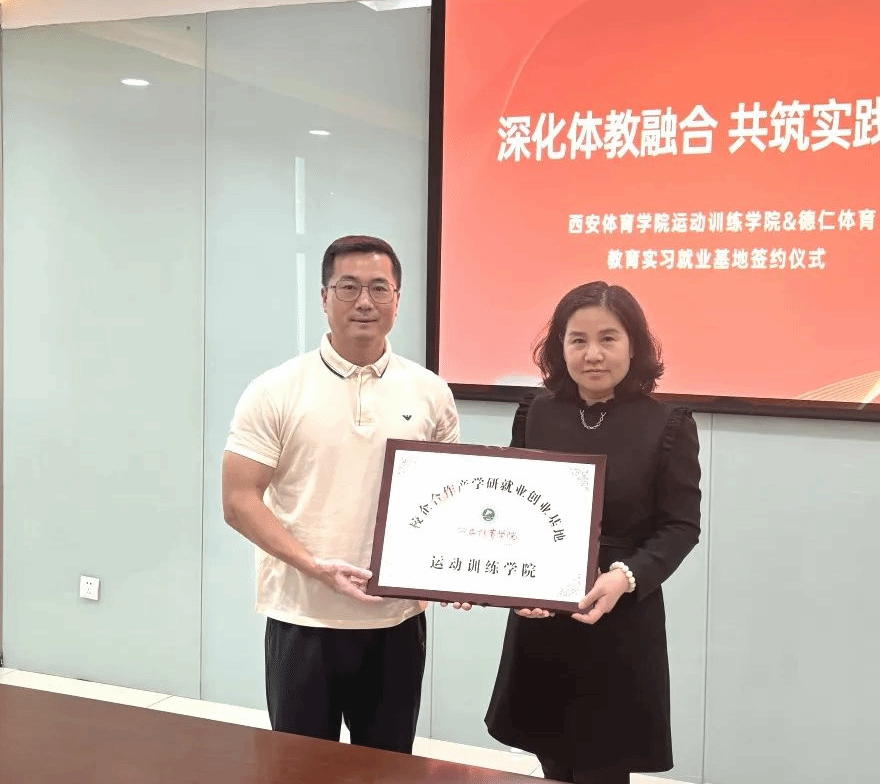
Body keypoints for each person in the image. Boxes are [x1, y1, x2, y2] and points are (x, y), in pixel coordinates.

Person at [221, 234, 459, 752]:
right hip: (302, 618)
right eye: (348, 287)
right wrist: (313, 566)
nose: (364, 301)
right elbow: (238, 501)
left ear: (398, 299)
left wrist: (455, 574)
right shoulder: (275, 389)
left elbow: (447, 499)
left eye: (379, 288)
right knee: (301, 767)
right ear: (324, 297)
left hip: (396, 620)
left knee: (387, 765)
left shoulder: (431, 392)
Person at [485, 281, 702, 784]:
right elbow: (515, 509)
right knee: (551, 759)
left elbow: (680, 526)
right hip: (543, 620)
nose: (593, 354)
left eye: (608, 338)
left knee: (606, 765)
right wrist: (514, 587)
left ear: (635, 344)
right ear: (559, 347)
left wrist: (626, 576)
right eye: (577, 340)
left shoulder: (668, 424)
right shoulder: (535, 413)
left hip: (620, 618)